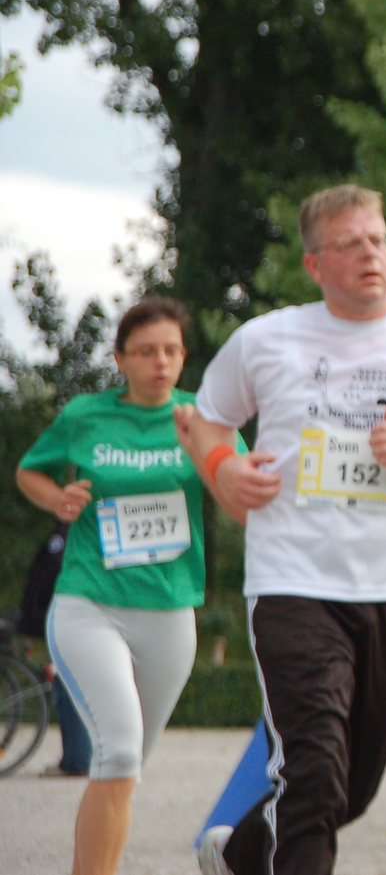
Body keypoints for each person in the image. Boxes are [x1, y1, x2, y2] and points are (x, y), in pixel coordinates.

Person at [180, 184, 386, 875]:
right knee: (315, 767)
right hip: (293, 580)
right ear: (314, 263)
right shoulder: (265, 339)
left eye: (378, 238)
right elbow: (207, 418)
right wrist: (222, 468)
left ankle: (241, 854)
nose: (370, 253)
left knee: (347, 787)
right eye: (350, 243)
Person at [15, 296, 233, 875]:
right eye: (146, 351)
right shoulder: (86, 415)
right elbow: (29, 469)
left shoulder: (201, 416)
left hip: (170, 608)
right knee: (118, 751)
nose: (160, 362)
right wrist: (55, 498)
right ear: (120, 359)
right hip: (90, 602)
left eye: (172, 351)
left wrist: (201, 453)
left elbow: (237, 496)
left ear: (185, 357)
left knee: (127, 767)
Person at [18, 520, 94, 777]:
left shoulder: (69, 531)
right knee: (71, 688)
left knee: (69, 689)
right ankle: (79, 758)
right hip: (69, 614)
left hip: (68, 614)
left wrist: (35, 614)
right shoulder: (71, 529)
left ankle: (77, 761)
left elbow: (50, 572)